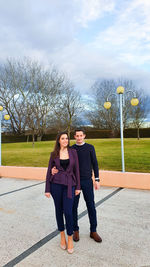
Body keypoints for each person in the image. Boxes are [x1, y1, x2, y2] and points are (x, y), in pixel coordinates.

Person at [52, 129, 102, 243]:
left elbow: (95, 163)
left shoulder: (90, 148)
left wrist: (97, 179)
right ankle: (75, 230)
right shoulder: (71, 149)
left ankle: (93, 230)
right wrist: (53, 169)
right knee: (73, 207)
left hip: (87, 181)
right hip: (74, 182)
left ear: (84, 136)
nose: (79, 137)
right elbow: (60, 161)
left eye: (81, 135)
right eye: (77, 136)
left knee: (91, 206)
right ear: (74, 137)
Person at [45, 132, 81, 254]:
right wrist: (47, 189)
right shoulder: (53, 154)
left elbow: (77, 171)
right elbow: (49, 172)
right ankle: (62, 236)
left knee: (68, 212)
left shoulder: (73, 152)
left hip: (70, 185)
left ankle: (69, 237)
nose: (65, 140)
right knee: (59, 210)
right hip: (56, 185)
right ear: (59, 140)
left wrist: (78, 187)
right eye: (63, 138)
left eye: (67, 138)